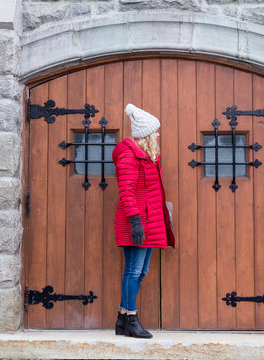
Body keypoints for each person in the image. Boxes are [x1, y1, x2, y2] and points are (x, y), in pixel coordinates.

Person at [112, 103, 175, 339]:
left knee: (141, 271)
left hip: (151, 220)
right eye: (156, 131)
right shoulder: (129, 155)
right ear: (147, 134)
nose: (158, 134)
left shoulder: (148, 156)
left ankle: (121, 318)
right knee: (133, 271)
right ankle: (130, 319)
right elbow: (126, 191)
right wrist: (135, 221)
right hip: (138, 221)